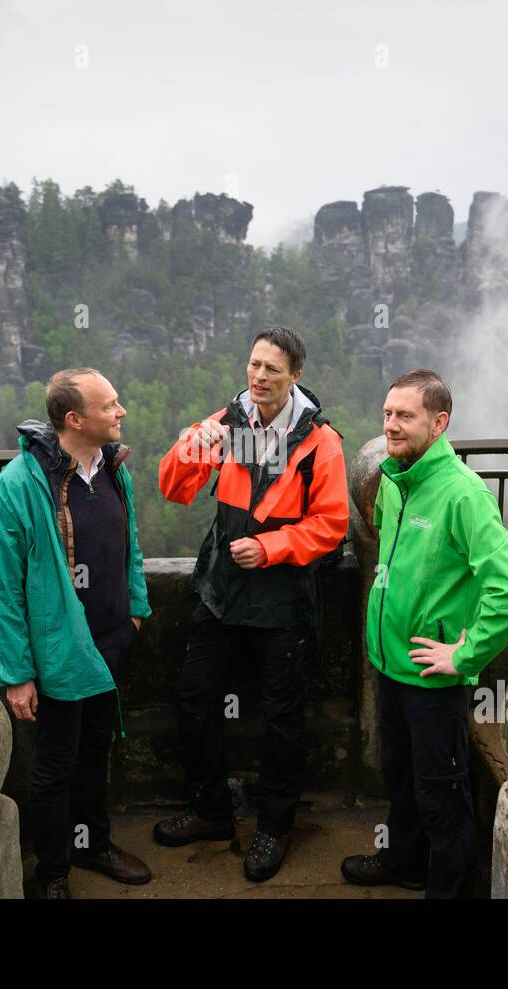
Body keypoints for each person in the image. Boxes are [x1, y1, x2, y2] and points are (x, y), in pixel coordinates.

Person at [152, 326, 349, 882]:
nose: (259, 376)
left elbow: (331, 526)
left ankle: (275, 826)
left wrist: (269, 548)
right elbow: (174, 488)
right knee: (193, 696)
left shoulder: (318, 441)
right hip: (220, 592)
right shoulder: (229, 422)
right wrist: (196, 443)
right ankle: (212, 811)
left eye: (273, 369)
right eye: (254, 365)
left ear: (295, 377)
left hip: (281, 598)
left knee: (283, 717)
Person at [340, 368, 508, 898]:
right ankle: (402, 860)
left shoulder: (463, 494)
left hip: (433, 680)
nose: (392, 426)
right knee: (399, 774)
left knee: (442, 797)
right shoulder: (395, 481)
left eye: (405, 416)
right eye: (387, 414)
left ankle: (447, 892)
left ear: (439, 422)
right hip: (389, 664)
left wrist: (465, 653)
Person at [0, 367, 153, 900]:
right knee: (55, 764)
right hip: (59, 650)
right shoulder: (21, 484)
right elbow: (3, 588)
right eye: (110, 405)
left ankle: (94, 844)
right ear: (75, 419)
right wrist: (17, 673)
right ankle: (53, 872)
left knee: (95, 750)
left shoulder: (112, 468)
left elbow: (130, 542)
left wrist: (136, 607)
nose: (121, 412)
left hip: (109, 643)